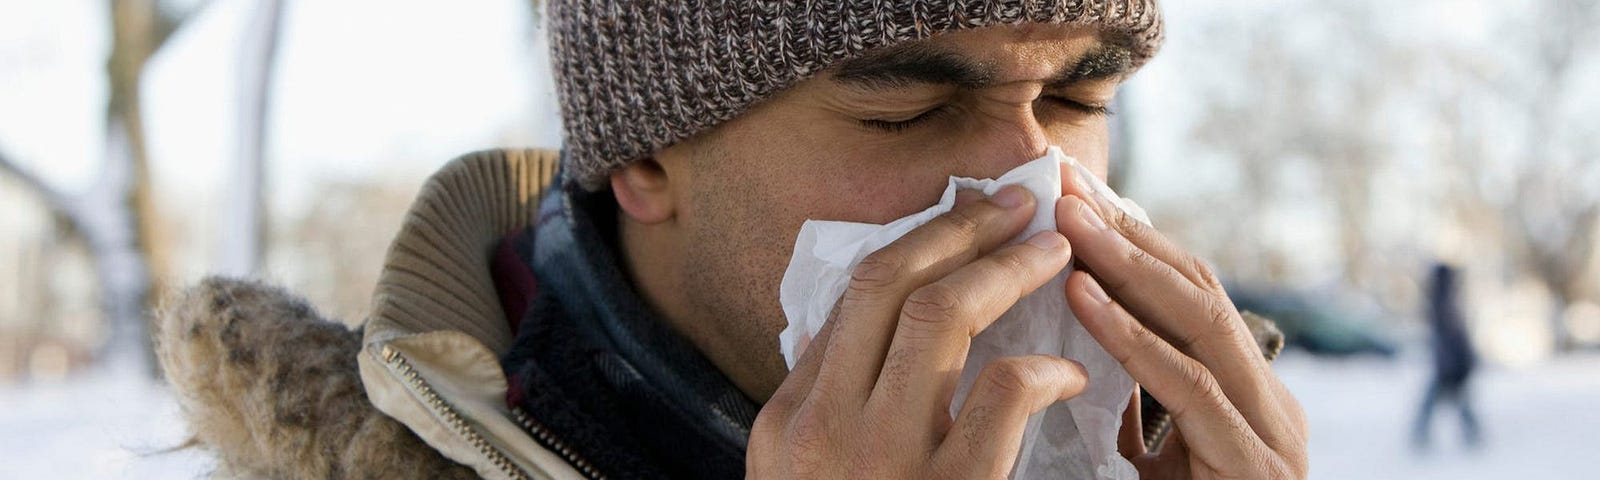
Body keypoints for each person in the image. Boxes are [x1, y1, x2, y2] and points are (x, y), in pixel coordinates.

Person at [157, 1, 1308, 478]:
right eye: (902, 110)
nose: (1032, 183)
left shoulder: (1164, 442)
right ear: (648, 158)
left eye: (1074, 106)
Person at [1412, 262, 1482, 450]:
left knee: (1450, 402)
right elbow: (1451, 337)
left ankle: (1421, 436)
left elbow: (1452, 338)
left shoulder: (1443, 301)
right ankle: (1472, 435)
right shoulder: (1445, 301)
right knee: (1454, 402)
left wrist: (1456, 363)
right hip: (1449, 364)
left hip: (1449, 364)